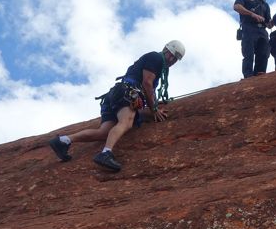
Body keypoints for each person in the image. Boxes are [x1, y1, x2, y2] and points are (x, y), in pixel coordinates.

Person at [49, 40, 185, 172]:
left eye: (176, 59)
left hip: (116, 94)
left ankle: (63, 140)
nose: (172, 61)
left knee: (104, 132)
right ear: (166, 50)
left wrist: (154, 103)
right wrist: (154, 109)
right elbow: (147, 83)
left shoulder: (157, 64)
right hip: (128, 92)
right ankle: (106, 153)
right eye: (172, 56)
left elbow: (149, 88)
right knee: (126, 122)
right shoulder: (155, 57)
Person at [233, 0, 271, 78]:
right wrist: (252, 14)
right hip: (249, 28)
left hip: (262, 30)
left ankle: (260, 73)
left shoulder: (265, 4)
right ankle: (248, 76)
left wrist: (271, 23)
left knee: (264, 53)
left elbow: (268, 22)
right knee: (248, 53)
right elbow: (236, 7)